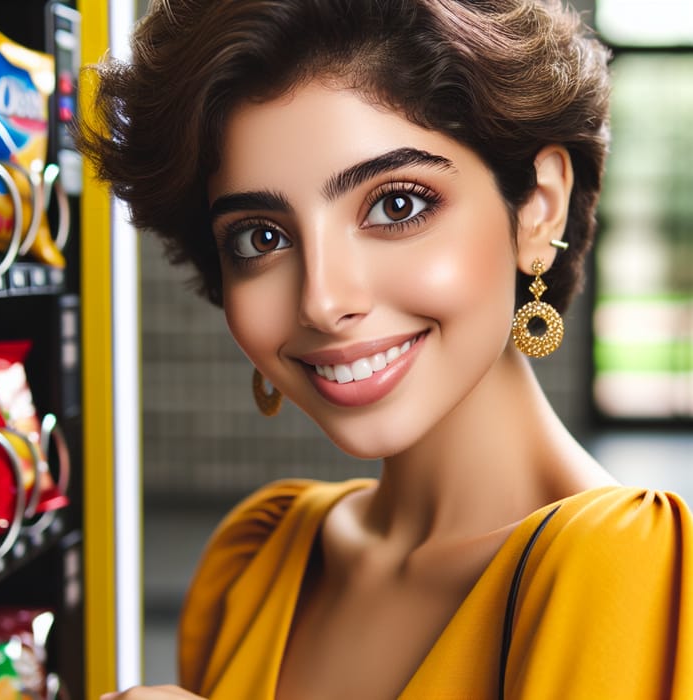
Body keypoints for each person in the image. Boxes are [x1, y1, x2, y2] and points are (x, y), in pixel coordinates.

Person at [80, 0, 692, 698]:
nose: (322, 300)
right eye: (261, 237)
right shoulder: (256, 560)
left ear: (538, 207)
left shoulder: (624, 568)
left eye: (396, 205)